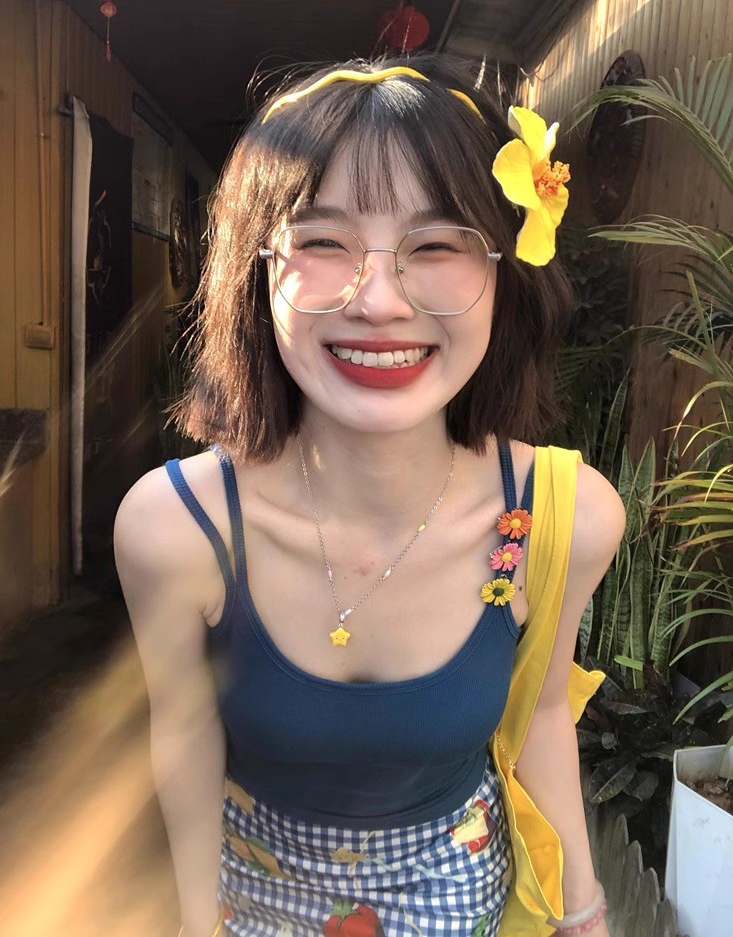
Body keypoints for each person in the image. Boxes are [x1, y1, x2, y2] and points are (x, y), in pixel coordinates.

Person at [114, 54, 625, 937]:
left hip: (466, 906)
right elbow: (184, 732)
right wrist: (197, 923)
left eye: (437, 245)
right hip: (252, 906)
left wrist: (581, 908)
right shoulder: (176, 529)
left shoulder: (563, 517)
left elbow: (542, 714)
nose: (380, 301)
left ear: (504, 274)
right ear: (255, 269)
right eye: (321, 243)